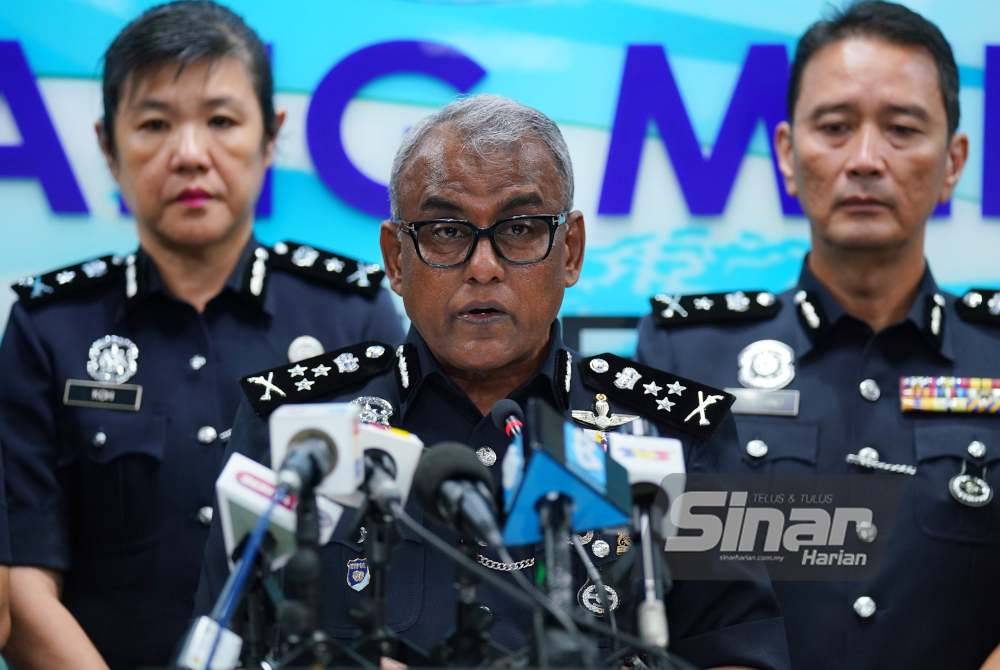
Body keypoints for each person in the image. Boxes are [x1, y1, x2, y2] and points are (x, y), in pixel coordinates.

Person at [195, 93, 790, 670]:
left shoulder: (678, 432)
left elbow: (737, 651)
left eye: (521, 228)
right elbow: (227, 643)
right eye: (447, 232)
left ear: (572, 251)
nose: (483, 267)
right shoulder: (295, 428)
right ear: (396, 259)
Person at [0, 2, 403, 668]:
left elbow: (397, 568)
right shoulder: (50, 328)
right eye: (155, 124)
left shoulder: (352, 318)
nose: (190, 155)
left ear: (270, 136)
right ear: (108, 145)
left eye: (220, 121)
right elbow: (19, 583)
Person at [637, 2, 998, 669]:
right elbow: (667, 596)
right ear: (786, 153)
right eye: (835, 127)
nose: (865, 159)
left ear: (953, 162)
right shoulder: (686, 355)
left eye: (901, 129)